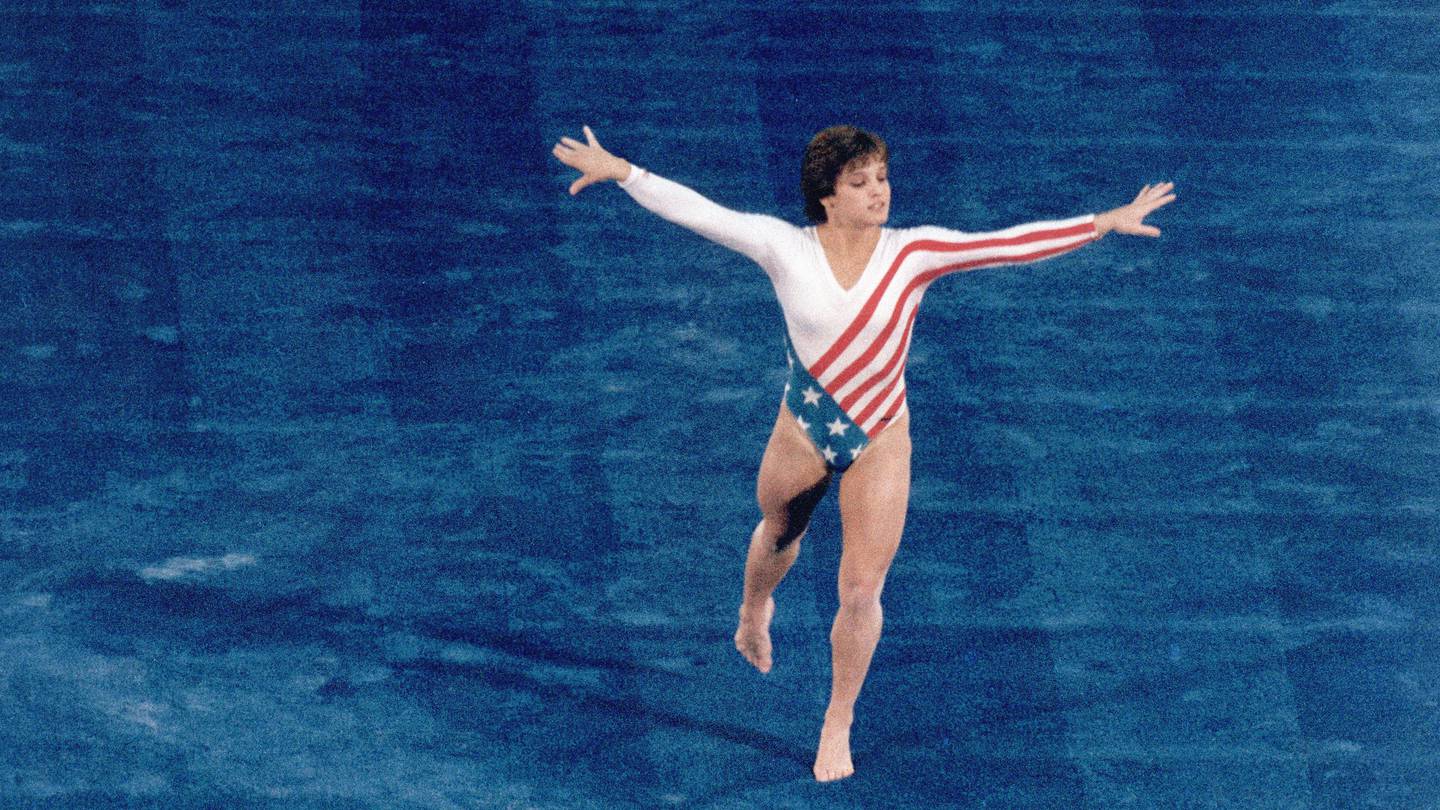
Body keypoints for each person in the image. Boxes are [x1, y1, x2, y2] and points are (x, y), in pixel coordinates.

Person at [552, 124, 1175, 782]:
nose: (879, 192)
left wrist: (1103, 221)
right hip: (802, 429)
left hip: (880, 437)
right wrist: (624, 171)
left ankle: (838, 719)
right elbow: (703, 212)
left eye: (881, 178)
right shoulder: (783, 248)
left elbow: (1006, 246)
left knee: (860, 588)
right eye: (860, 183)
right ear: (826, 196)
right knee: (779, 529)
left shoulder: (915, 253)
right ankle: (753, 610)